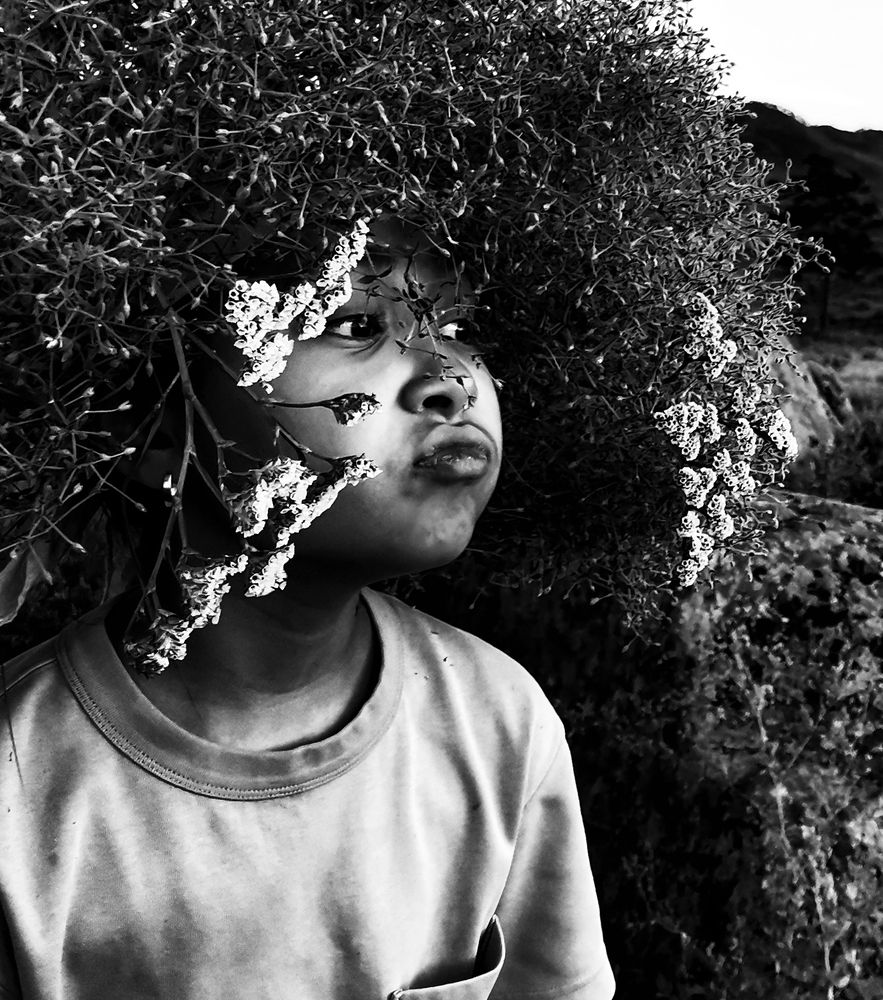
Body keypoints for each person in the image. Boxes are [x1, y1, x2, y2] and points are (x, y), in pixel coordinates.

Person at [0, 215, 616, 999]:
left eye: (458, 326)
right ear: (151, 428)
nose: (449, 378)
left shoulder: (497, 720)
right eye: (354, 324)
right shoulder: (20, 784)